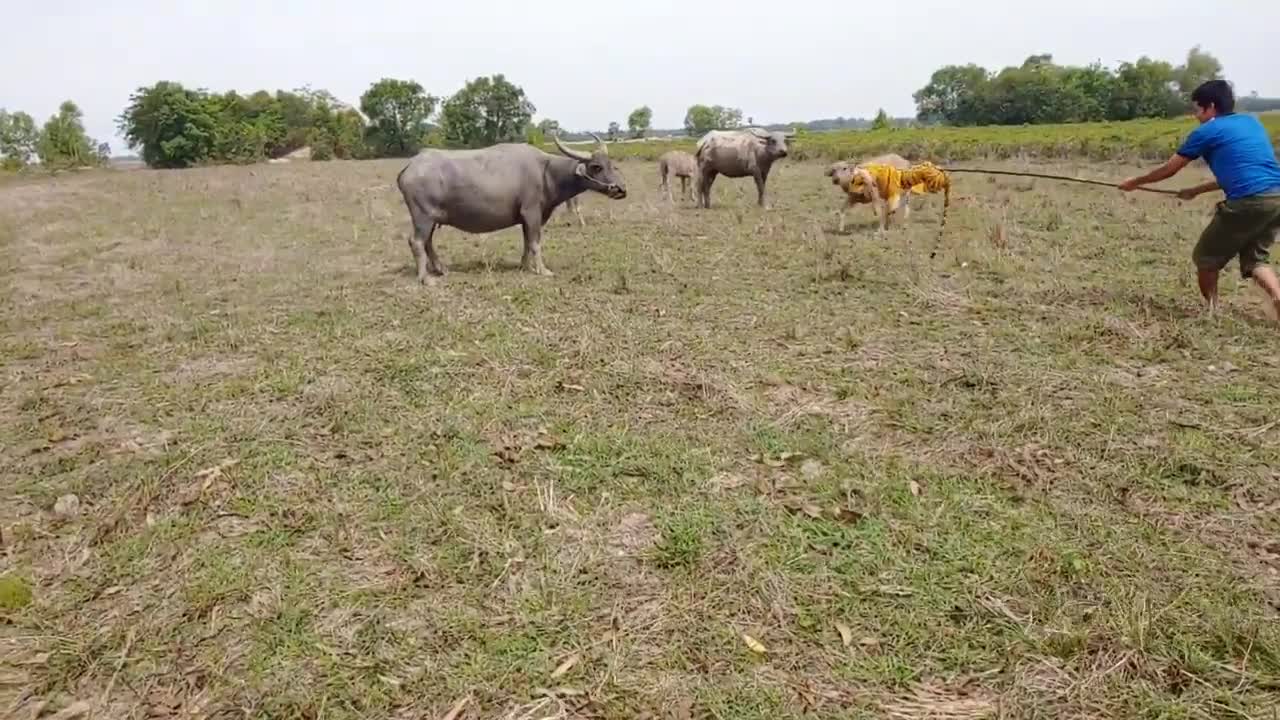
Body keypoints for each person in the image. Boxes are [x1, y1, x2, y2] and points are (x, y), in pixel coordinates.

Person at [1120, 79, 1280, 320]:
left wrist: (1135, 182)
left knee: (1205, 258)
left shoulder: (1206, 132)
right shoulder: (1251, 122)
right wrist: (1196, 190)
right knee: (1256, 258)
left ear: (1210, 107)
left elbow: (1169, 169)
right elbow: (1244, 173)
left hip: (1249, 201)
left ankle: (1213, 312)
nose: (1196, 115)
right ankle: (1278, 296)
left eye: (1197, 109)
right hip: (1276, 196)